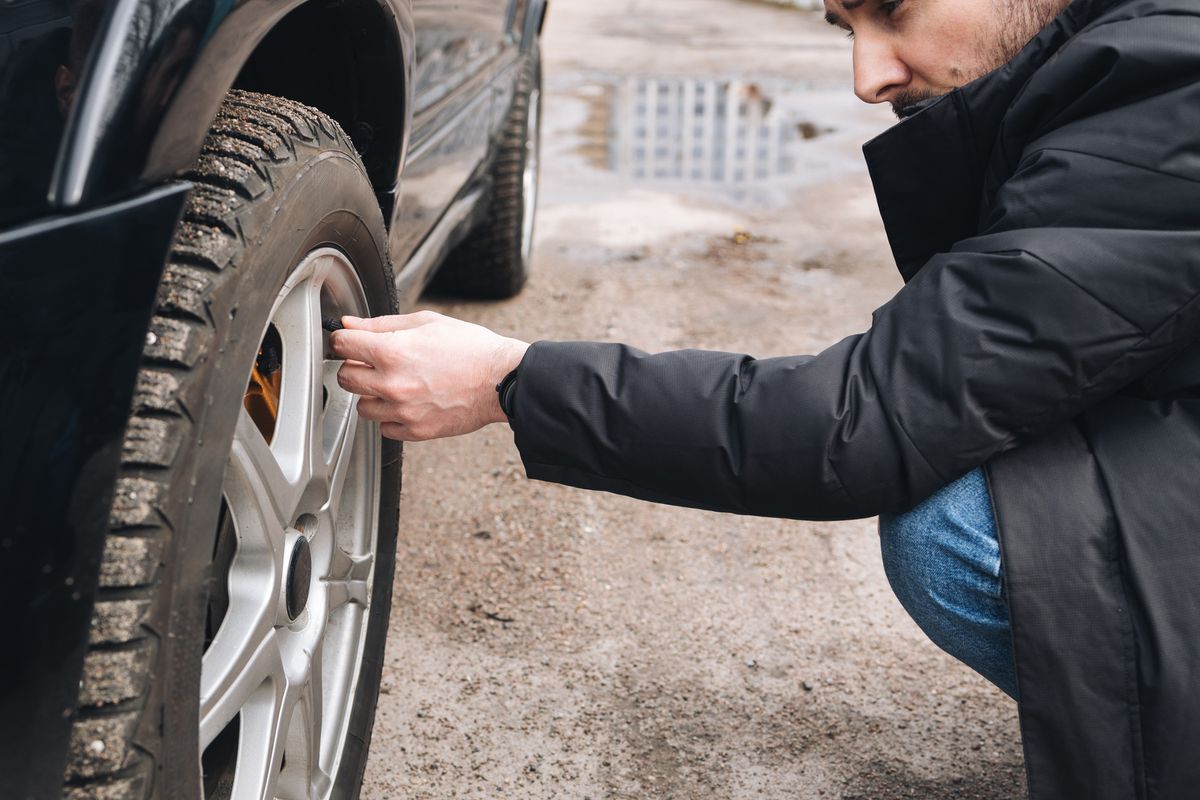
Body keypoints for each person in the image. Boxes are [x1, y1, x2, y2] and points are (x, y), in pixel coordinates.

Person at [330, 0, 1200, 795]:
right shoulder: (1128, 66)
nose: (869, 78)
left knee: (954, 527)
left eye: (893, 12)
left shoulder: (1168, 100)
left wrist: (509, 381)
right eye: (844, 28)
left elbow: (863, 419)